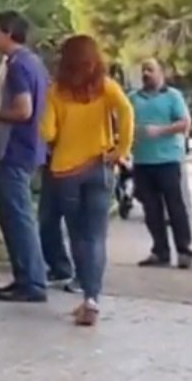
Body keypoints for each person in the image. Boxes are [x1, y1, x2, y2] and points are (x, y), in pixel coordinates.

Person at [41, 36, 134, 326]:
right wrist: (121, 150)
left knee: (78, 234)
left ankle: (83, 288)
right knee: (96, 236)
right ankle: (92, 298)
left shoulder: (56, 91)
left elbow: (47, 133)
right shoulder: (106, 87)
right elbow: (127, 112)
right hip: (100, 166)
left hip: (66, 172)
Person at [0, 10, 50, 303]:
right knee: (17, 215)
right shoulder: (34, 62)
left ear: (8, 32)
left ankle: (32, 281)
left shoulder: (18, 65)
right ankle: (27, 277)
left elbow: (23, 110)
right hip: (30, 148)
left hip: (16, 149)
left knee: (18, 216)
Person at [128, 58, 192, 268]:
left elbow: (185, 123)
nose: (146, 74)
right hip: (143, 160)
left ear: (161, 73)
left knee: (175, 207)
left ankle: (184, 250)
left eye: (151, 70)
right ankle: (160, 250)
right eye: (144, 70)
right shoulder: (133, 98)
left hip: (167, 160)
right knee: (151, 208)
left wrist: (161, 130)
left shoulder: (173, 96)